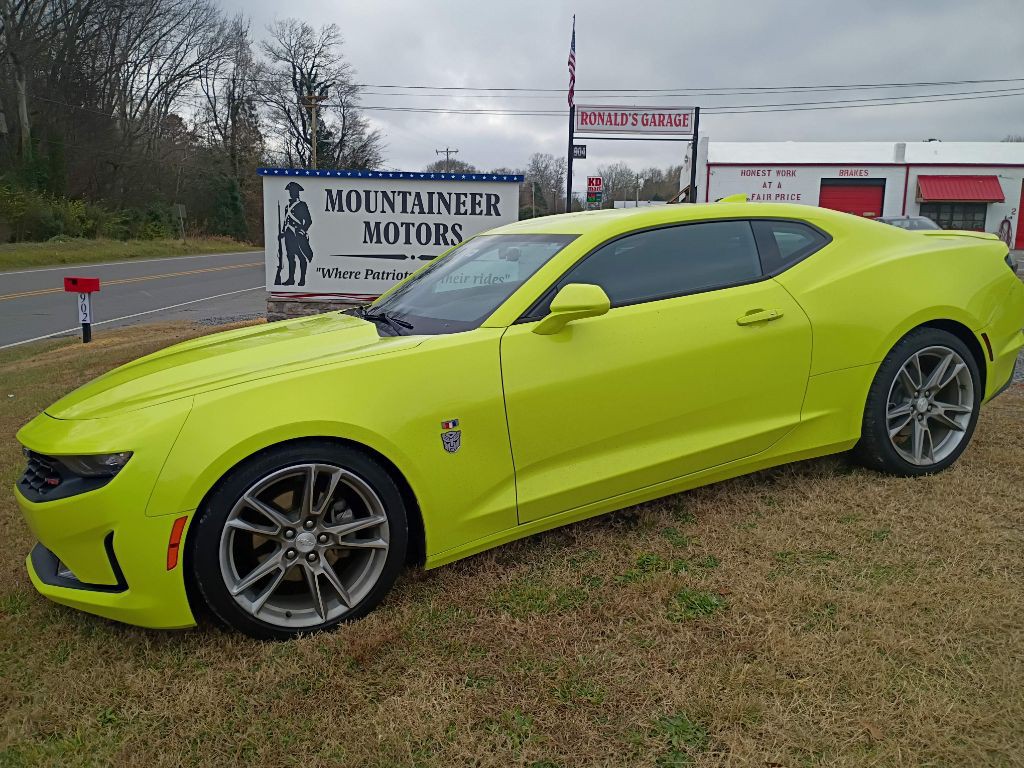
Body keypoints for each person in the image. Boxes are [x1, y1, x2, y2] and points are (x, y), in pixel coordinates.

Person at [279, 181, 314, 286]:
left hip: (298, 234)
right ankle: (291, 279)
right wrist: (283, 232)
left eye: (293, 191)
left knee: (301, 257)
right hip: (288, 235)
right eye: (290, 191)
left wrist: (302, 230)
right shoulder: (287, 207)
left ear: (297, 192)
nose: (291, 193)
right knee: (290, 257)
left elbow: (308, 220)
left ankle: (302, 279)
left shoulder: (302, 205)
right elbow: (286, 221)